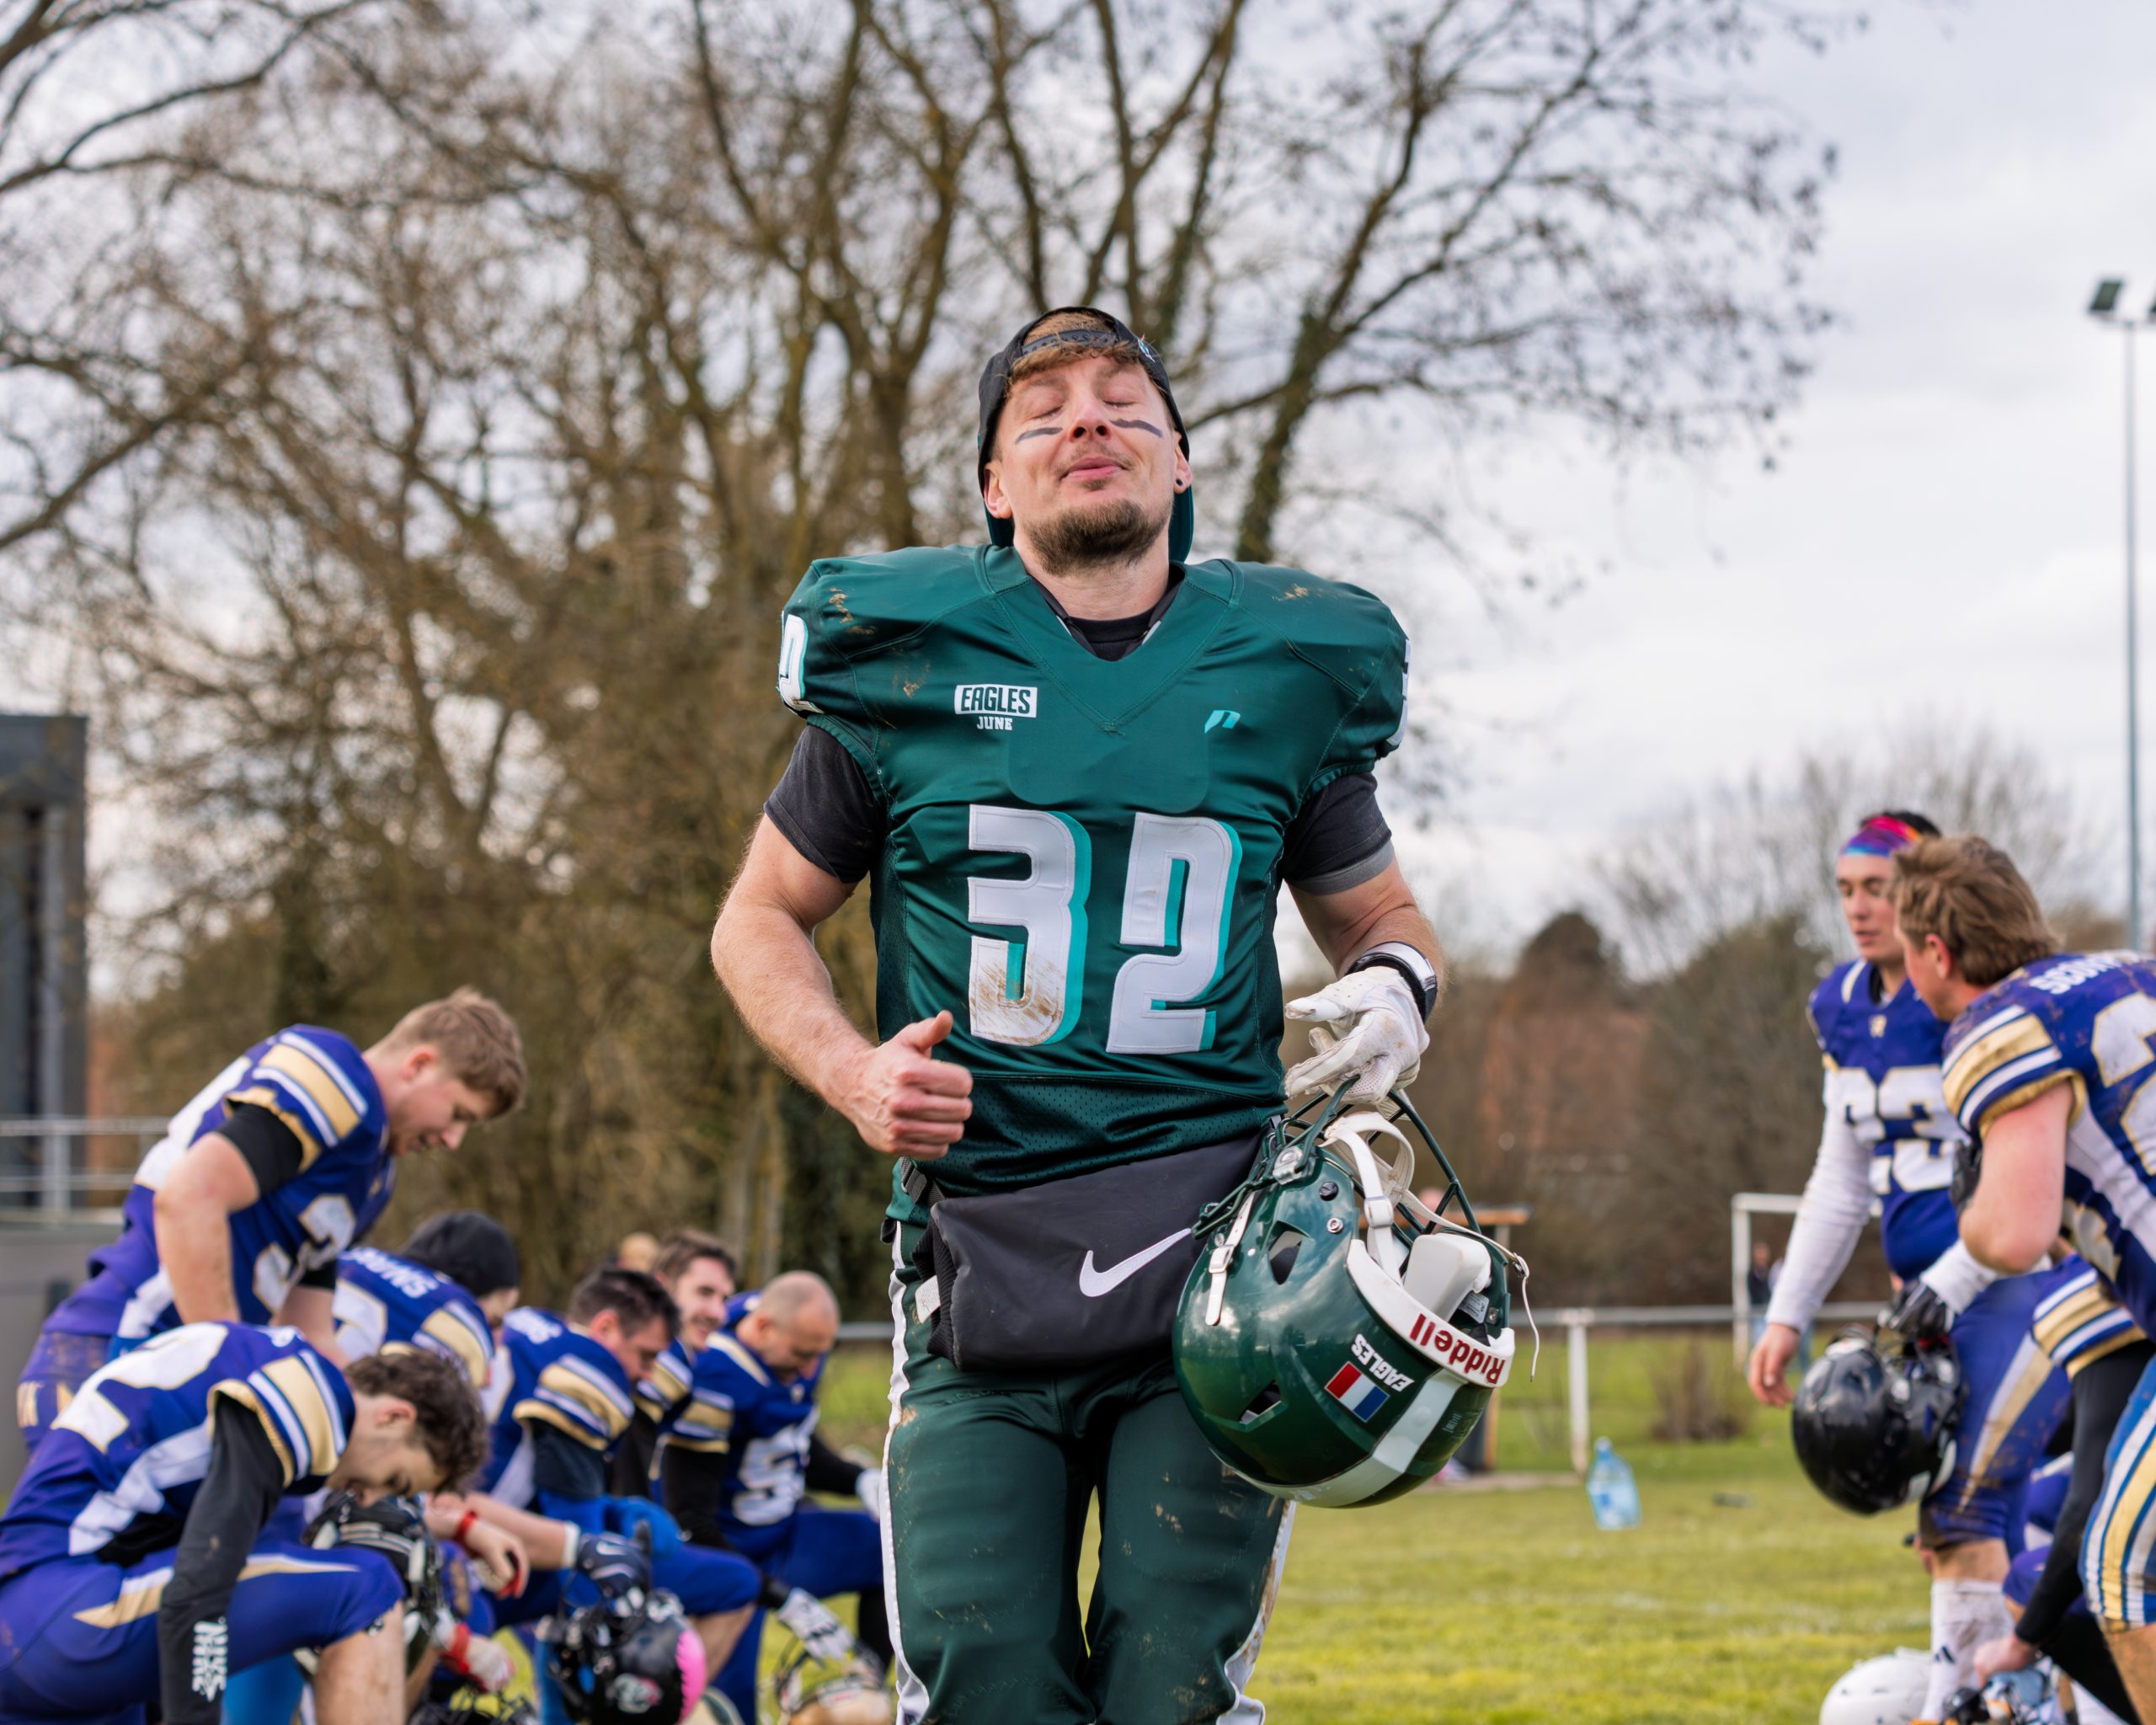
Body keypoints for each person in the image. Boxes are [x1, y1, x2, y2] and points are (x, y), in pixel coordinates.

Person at [714, 304, 1440, 1721]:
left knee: (1173, 1692)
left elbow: (1384, 920)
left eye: (1122, 401)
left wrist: (1398, 991)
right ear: (996, 486)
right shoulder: (909, 664)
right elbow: (758, 917)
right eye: (1041, 413)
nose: (1086, 422)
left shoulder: (1283, 673)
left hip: (1218, 1269)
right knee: (987, 1687)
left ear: (1182, 461)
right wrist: (853, 1073)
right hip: (978, 1256)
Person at [1748, 812, 2070, 1719]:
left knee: (1968, 1507)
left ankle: (1972, 1698)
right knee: (1956, 1518)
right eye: (1845, 890)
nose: (1858, 907)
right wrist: (1787, 1310)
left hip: (2019, 1283)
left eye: (1878, 888)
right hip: (1928, 1304)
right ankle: (2008, 1691)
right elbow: (1841, 1175)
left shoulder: (1980, 998)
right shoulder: (1841, 1006)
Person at [18, 990, 526, 1450]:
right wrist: (231, 1373)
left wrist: (377, 1429)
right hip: (119, 1350)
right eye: (459, 1114)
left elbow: (309, 1329)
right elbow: (192, 1197)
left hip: (168, 1368)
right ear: (419, 1064)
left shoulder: (373, 1171)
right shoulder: (339, 1079)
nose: (453, 1140)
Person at [1895, 833, 2156, 1718]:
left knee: (2119, 1566)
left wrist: (1958, 1262)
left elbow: (2015, 1229)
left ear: (1937, 952)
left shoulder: (1998, 1027)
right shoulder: (2129, 972)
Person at [0, 1322, 488, 1723]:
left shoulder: (266, 1359)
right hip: (63, 1616)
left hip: (39, 1629)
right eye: (396, 1481)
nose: (370, 1496)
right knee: (369, 1587)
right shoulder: (309, 1395)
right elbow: (200, 1587)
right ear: (395, 1416)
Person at [474, 1267, 760, 1693]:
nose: (648, 1374)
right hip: (476, 1560)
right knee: (733, 1583)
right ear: (605, 1327)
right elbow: (579, 1540)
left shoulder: (533, 1324)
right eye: (646, 1357)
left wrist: (616, 1513)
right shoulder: (591, 1370)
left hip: (462, 1531)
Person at [660, 1271, 887, 1722]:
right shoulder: (716, 1376)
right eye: (801, 1355)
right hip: (726, 1555)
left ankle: (865, 1680)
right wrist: (778, 1595)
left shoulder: (795, 1342)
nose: (809, 1368)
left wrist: (858, 1478)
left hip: (783, 1533)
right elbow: (689, 1518)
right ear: (763, 1327)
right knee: (732, 1709)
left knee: (888, 1548)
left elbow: (791, 1445)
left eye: (818, 1354)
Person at [614, 1228, 740, 1497]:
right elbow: (625, 1484)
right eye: (704, 1292)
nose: (718, 1313)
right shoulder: (664, 1361)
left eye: (724, 1299)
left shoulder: (675, 1356)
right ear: (662, 1287)